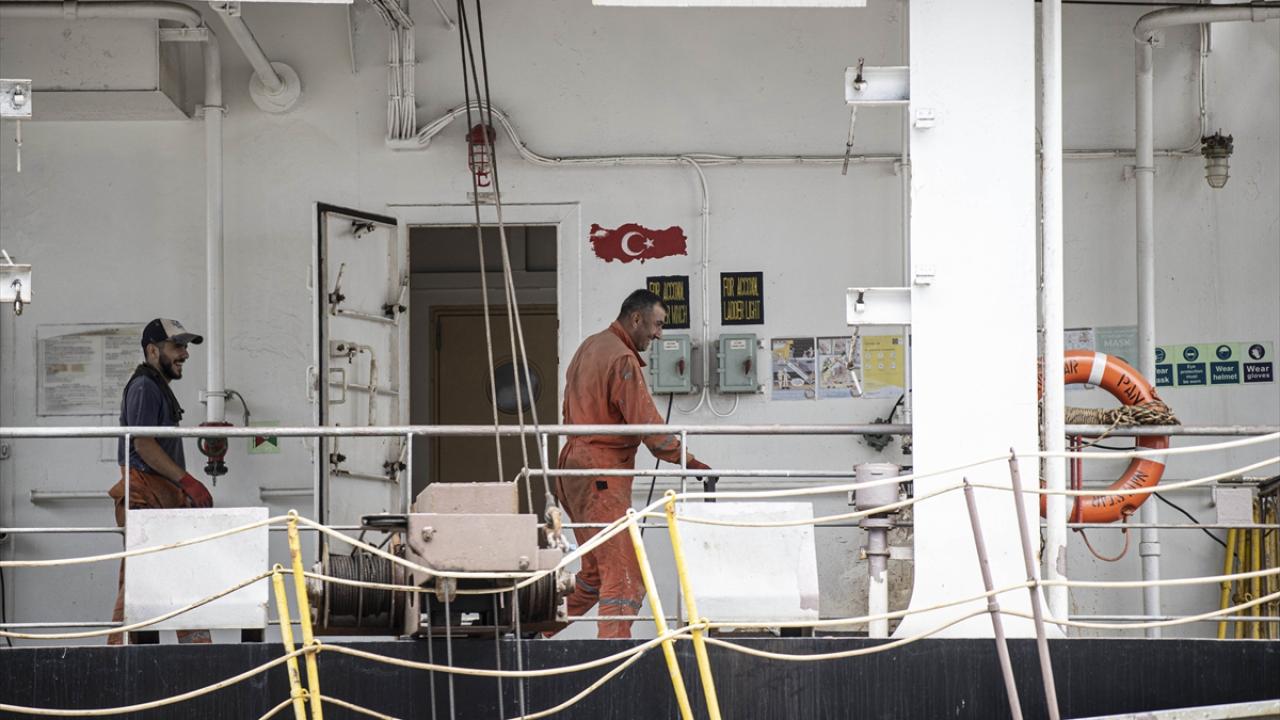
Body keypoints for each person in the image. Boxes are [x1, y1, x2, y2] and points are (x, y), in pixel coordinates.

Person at [556, 289, 712, 639]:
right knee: (623, 577)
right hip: (601, 474)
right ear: (636, 318)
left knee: (594, 574)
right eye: (657, 324)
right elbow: (648, 425)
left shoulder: (589, 346)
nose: (659, 334)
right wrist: (688, 460)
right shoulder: (622, 358)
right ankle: (614, 656)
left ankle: (531, 631)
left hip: (572, 469)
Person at [107, 318, 212, 645]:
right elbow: (144, 444)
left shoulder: (154, 386)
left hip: (160, 501)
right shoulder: (144, 387)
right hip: (146, 499)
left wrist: (180, 488)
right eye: (177, 346)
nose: (185, 354)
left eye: (185, 347)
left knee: (158, 581)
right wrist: (188, 481)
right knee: (142, 584)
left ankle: (189, 653)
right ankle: (121, 658)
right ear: (153, 351)